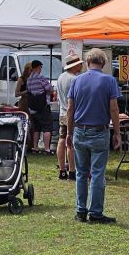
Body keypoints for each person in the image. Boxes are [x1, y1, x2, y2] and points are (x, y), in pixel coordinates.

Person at [66, 49, 122, 223]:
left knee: (81, 173)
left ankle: (80, 211)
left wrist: (69, 132)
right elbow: (114, 108)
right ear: (103, 63)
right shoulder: (109, 81)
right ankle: (96, 212)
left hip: (79, 130)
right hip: (99, 131)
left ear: (87, 62)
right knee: (97, 173)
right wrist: (118, 132)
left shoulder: (77, 80)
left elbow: (70, 109)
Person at [55, 53, 82, 181]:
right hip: (72, 114)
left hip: (62, 112)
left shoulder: (60, 77)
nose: (81, 65)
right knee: (71, 142)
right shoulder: (74, 79)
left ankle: (62, 170)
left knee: (61, 140)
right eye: (80, 63)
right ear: (75, 65)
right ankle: (72, 171)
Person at [24, 59, 54, 153]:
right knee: (47, 128)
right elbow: (50, 89)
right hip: (43, 106)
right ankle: (47, 148)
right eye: (40, 67)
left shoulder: (28, 80)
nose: (41, 69)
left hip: (33, 107)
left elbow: (29, 91)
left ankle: (35, 147)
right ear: (38, 67)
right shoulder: (41, 78)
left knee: (36, 128)